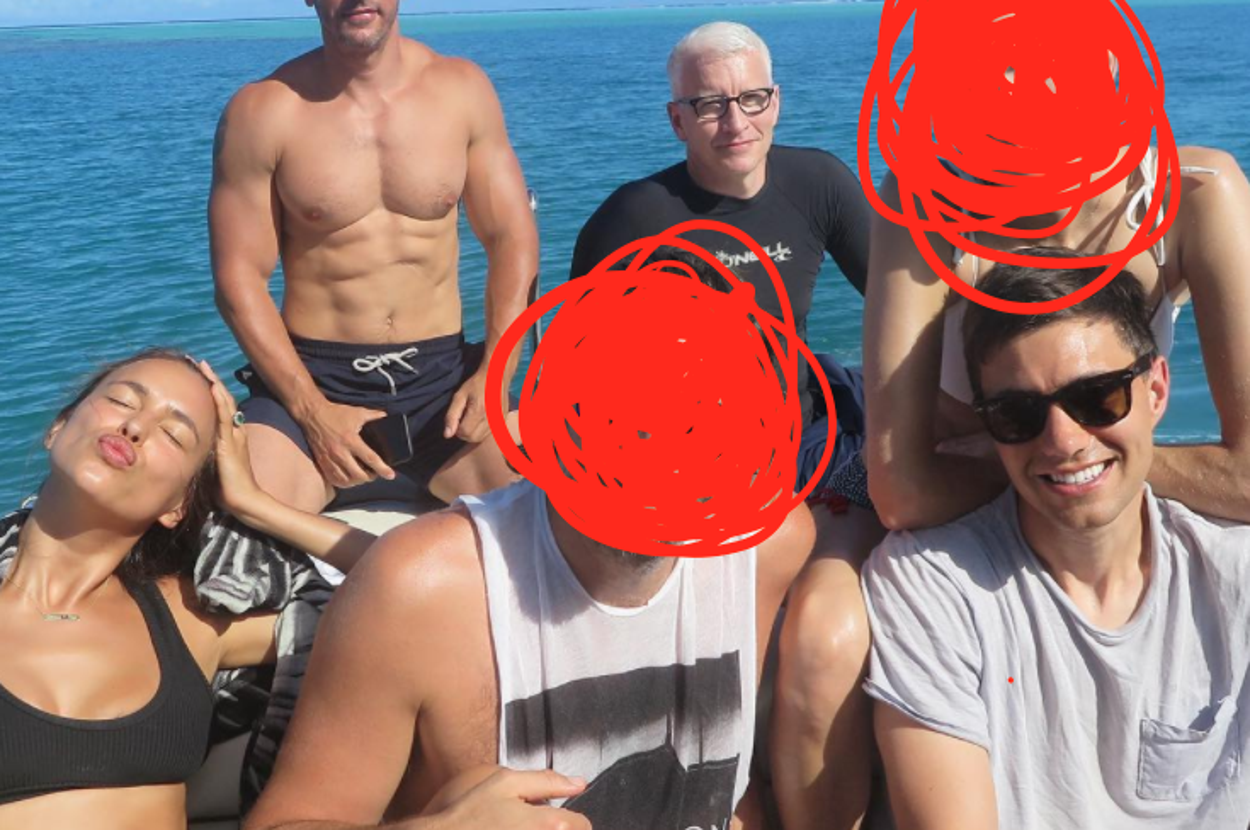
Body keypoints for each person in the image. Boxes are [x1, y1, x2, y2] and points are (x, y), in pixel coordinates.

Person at [243, 248, 816, 830]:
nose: (659, 446)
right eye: (632, 404)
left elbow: (722, 785)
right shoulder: (420, 591)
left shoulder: (769, 543)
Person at [0, 347, 594, 830]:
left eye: (174, 435)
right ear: (58, 428)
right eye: (122, 401)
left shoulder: (188, 620)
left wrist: (253, 503)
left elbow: (408, 585)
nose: (135, 426)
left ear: (178, 505)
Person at [567, 24, 877, 828]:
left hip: (809, 429)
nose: (735, 122)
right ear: (677, 119)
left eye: (752, 99)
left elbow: (899, 302)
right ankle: (734, 786)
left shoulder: (817, 181)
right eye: (709, 105)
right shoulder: (637, 215)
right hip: (697, 456)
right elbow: (575, 374)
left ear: (777, 102)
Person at [863, 254, 1250, 828]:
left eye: (1098, 397)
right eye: (1018, 414)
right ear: (988, 426)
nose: (1063, 441)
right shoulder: (933, 589)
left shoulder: (1232, 575)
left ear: (1156, 390)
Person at [209, 0, 536, 558]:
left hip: (445, 390)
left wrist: (495, 374)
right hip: (314, 386)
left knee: (568, 521)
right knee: (235, 548)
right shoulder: (263, 111)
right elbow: (238, 279)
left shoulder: (461, 91)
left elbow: (511, 237)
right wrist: (312, 412)